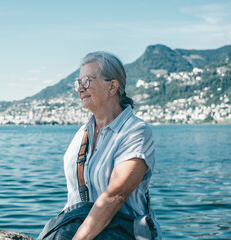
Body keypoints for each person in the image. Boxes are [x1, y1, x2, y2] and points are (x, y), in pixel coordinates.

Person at [38, 51, 161, 240]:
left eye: (86, 81)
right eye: (78, 83)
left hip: (121, 233)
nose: (80, 89)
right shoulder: (81, 135)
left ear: (112, 86)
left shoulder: (136, 132)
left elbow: (114, 197)